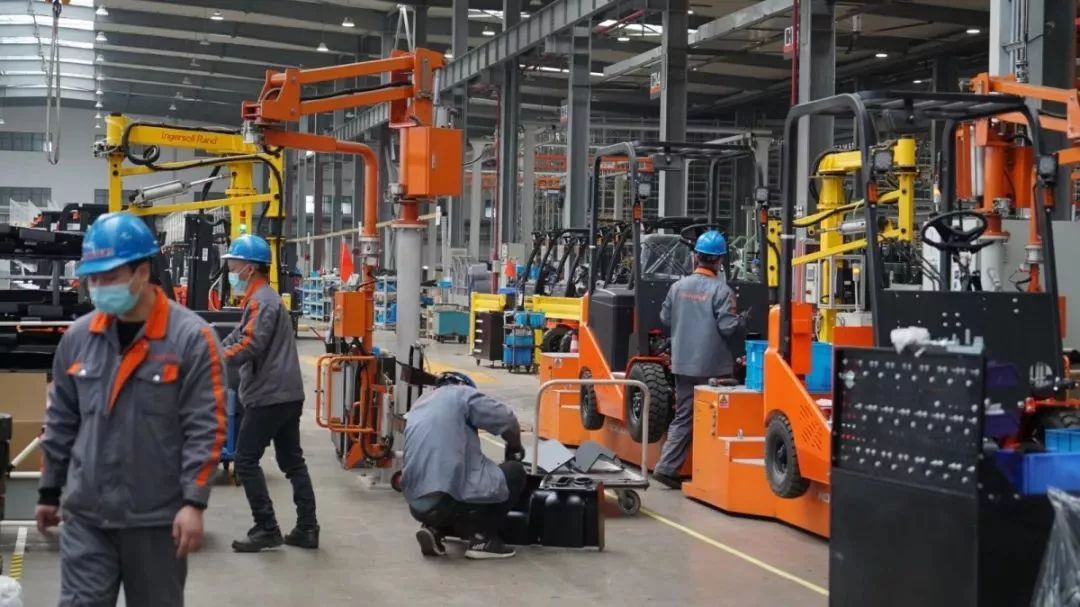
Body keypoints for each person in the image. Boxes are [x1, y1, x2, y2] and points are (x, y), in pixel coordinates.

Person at [37, 212, 227, 606]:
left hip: (156, 520)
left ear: (142, 272)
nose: (99, 288)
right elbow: (60, 421)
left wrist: (194, 502)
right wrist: (49, 490)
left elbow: (206, 427)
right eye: (93, 278)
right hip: (87, 515)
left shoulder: (192, 339)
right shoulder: (78, 339)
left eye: (109, 277)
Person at [221, 235, 318, 552]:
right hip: (287, 394)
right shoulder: (262, 298)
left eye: (233, 265)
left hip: (269, 397)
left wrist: (217, 359)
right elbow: (240, 335)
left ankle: (266, 528)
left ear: (249, 268)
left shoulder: (261, 301)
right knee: (292, 462)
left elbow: (251, 344)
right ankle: (307, 528)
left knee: (245, 460)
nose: (230, 271)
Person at [654, 230, 745, 489]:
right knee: (714, 420)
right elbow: (728, 327)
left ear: (696, 257)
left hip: (683, 364)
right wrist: (743, 321)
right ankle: (709, 475)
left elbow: (665, 318)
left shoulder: (677, 287)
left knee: (684, 415)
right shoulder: (722, 291)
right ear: (720, 261)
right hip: (713, 368)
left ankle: (666, 466)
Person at [402, 371, 527, 560]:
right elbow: (507, 420)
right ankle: (482, 540)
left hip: (416, 502)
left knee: (451, 477)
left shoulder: (420, 404)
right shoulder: (462, 394)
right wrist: (515, 445)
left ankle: (434, 529)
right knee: (513, 472)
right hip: (446, 497)